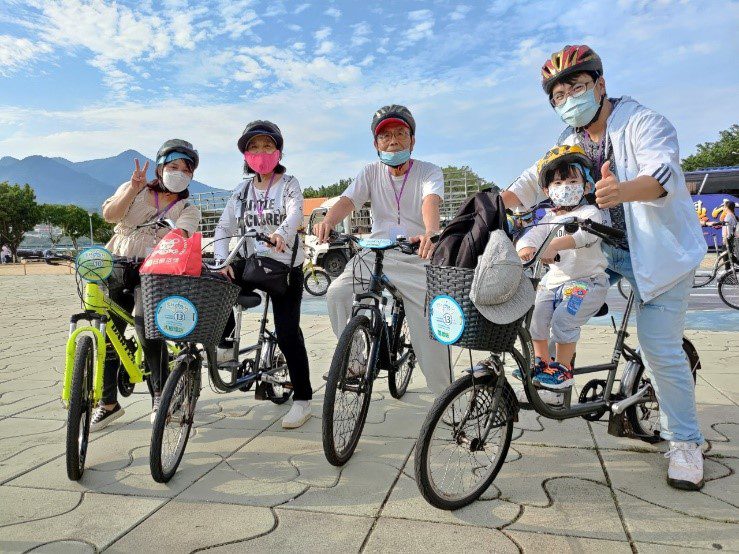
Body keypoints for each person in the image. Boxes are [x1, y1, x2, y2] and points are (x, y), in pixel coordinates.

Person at [501, 44, 707, 490]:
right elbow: (535, 180)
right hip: (595, 250)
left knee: (658, 348)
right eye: (558, 96)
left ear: (600, 84)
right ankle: (556, 375)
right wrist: (492, 207)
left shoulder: (642, 122)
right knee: (546, 301)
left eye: (576, 87)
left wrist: (622, 191)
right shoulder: (568, 142)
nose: (568, 99)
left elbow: (664, 174)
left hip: (656, 252)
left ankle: (686, 442)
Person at [314, 104, 451, 395]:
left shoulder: (429, 171)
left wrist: (430, 232)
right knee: (337, 294)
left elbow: (431, 201)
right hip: (376, 253)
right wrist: (327, 220)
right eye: (385, 136)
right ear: (375, 144)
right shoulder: (370, 172)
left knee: (429, 326)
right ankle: (354, 361)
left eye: (401, 133)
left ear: (412, 139)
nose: (393, 141)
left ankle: (445, 396)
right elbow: (349, 200)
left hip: (417, 254)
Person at [92, 139, 201, 430]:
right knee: (109, 332)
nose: (179, 173)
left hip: (154, 272)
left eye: (186, 170)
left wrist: (175, 232)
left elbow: (183, 234)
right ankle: (108, 402)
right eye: (174, 166)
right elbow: (110, 215)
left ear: (191, 176)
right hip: (118, 264)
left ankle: (159, 395)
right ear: (161, 167)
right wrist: (131, 188)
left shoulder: (188, 207)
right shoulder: (137, 189)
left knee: (146, 326)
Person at [213, 120, 313, 430]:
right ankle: (226, 343)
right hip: (251, 261)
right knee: (216, 284)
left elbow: (296, 211)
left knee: (287, 332)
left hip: (284, 266)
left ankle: (303, 399)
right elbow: (223, 227)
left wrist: (282, 232)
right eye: (253, 147)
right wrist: (221, 259)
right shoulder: (241, 191)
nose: (260, 152)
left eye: (267, 146)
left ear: (278, 150)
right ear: (245, 154)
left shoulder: (289, 183)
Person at [515, 145, 608, 389]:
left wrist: (554, 245)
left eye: (571, 180)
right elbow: (530, 237)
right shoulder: (548, 218)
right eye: (556, 183)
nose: (564, 187)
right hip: (553, 282)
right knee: (536, 320)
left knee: (564, 319)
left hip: (586, 282)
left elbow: (583, 236)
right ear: (546, 190)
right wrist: (525, 249)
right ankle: (541, 363)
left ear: (586, 186)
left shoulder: (590, 212)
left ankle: (563, 370)